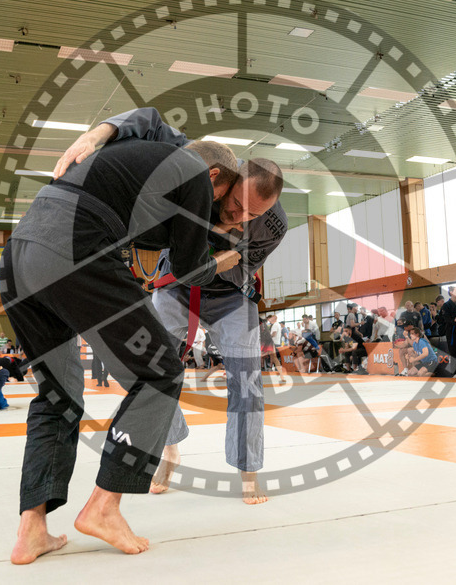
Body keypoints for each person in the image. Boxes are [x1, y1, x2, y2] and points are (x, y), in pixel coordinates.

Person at [5, 132, 240, 563]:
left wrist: (212, 233)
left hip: (19, 255)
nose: (215, 208)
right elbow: (188, 269)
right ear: (212, 175)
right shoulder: (191, 171)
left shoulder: (139, 164)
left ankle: (31, 528)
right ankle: (104, 506)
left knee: (57, 392)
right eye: (221, 198)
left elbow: (155, 236)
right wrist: (222, 260)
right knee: (161, 371)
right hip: (75, 248)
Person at [57, 108, 286, 506]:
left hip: (231, 295)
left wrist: (223, 239)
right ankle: (171, 445)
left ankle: (248, 470)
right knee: (142, 361)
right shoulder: (202, 164)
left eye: (254, 214)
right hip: (176, 285)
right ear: (227, 180)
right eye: (236, 203)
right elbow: (149, 121)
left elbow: (242, 267)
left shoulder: (273, 225)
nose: (241, 215)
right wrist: (96, 135)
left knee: (247, 381)